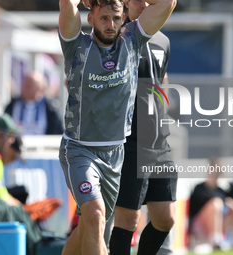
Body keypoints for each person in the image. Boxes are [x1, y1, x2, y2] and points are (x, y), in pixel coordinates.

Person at [57, 0, 176, 253]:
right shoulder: (77, 46)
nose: (110, 25)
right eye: (103, 18)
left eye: (116, 18)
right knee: (96, 215)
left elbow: (169, 3)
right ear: (90, 18)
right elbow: (67, 4)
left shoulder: (132, 42)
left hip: (114, 155)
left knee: (89, 227)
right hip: (80, 150)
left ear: (124, 19)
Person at [108, 0, 176, 254]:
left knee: (165, 218)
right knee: (128, 220)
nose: (145, 3)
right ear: (126, 2)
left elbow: (163, 82)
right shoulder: (119, 36)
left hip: (159, 142)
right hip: (130, 141)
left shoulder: (164, 42)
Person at [188, 158, 233, 251]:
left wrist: (227, 179)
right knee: (216, 204)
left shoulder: (221, 190)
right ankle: (215, 241)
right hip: (199, 226)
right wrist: (226, 201)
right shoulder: (199, 188)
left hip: (220, 222)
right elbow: (207, 200)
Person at [4, 71, 64, 135]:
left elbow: (57, 132)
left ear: (41, 89)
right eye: (24, 83)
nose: (25, 87)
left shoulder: (51, 109)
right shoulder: (12, 105)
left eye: (30, 85)